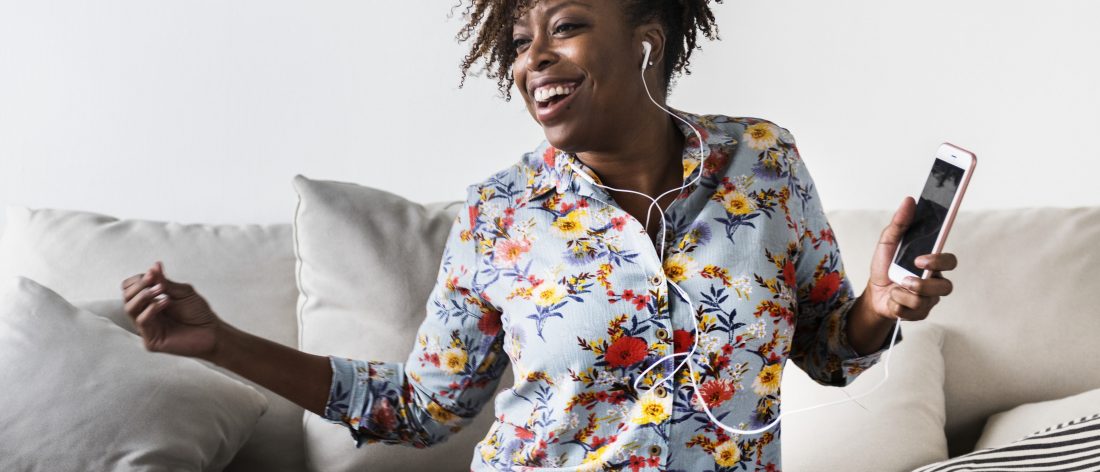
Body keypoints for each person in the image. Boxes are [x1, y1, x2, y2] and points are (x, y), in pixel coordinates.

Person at [120, 0, 959, 469]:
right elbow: (420, 407)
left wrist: (881, 307)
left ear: (646, 41)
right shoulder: (501, 214)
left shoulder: (763, 160)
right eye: (520, 44)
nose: (533, 61)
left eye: (564, 26)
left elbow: (827, 351)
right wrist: (220, 342)